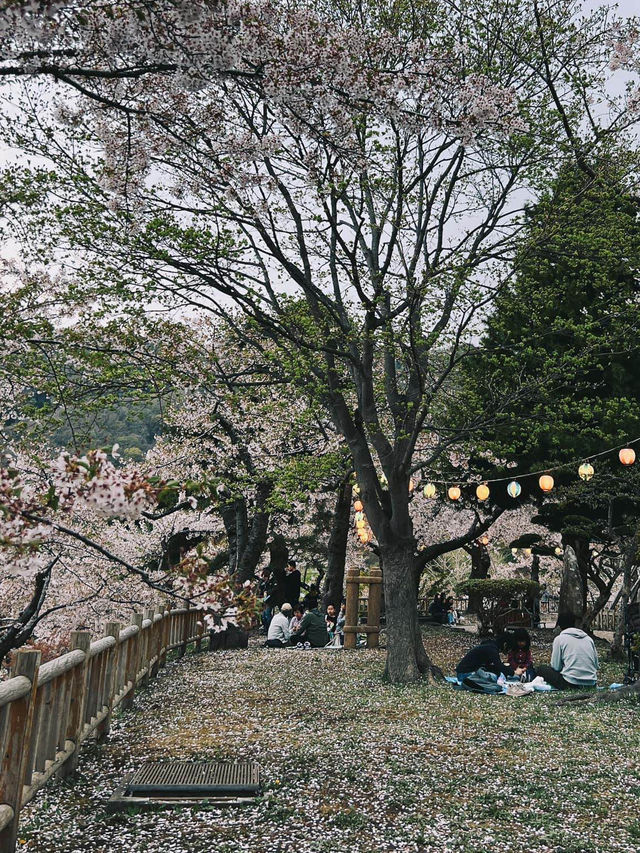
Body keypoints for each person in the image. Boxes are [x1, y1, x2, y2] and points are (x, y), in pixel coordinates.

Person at [537, 612, 599, 690]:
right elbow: (596, 665)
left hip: (571, 682)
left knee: (541, 669)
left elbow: (556, 667)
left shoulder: (560, 639)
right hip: (591, 682)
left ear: (559, 626)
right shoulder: (588, 639)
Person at [456, 635, 525, 682]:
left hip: (464, 673)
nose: (509, 652)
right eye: (509, 649)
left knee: (496, 675)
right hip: (465, 674)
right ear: (505, 645)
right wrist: (514, 672)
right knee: (493, 678)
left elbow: (492, 666)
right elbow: (499, 666)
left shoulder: (490, 646)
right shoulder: (492, 649)